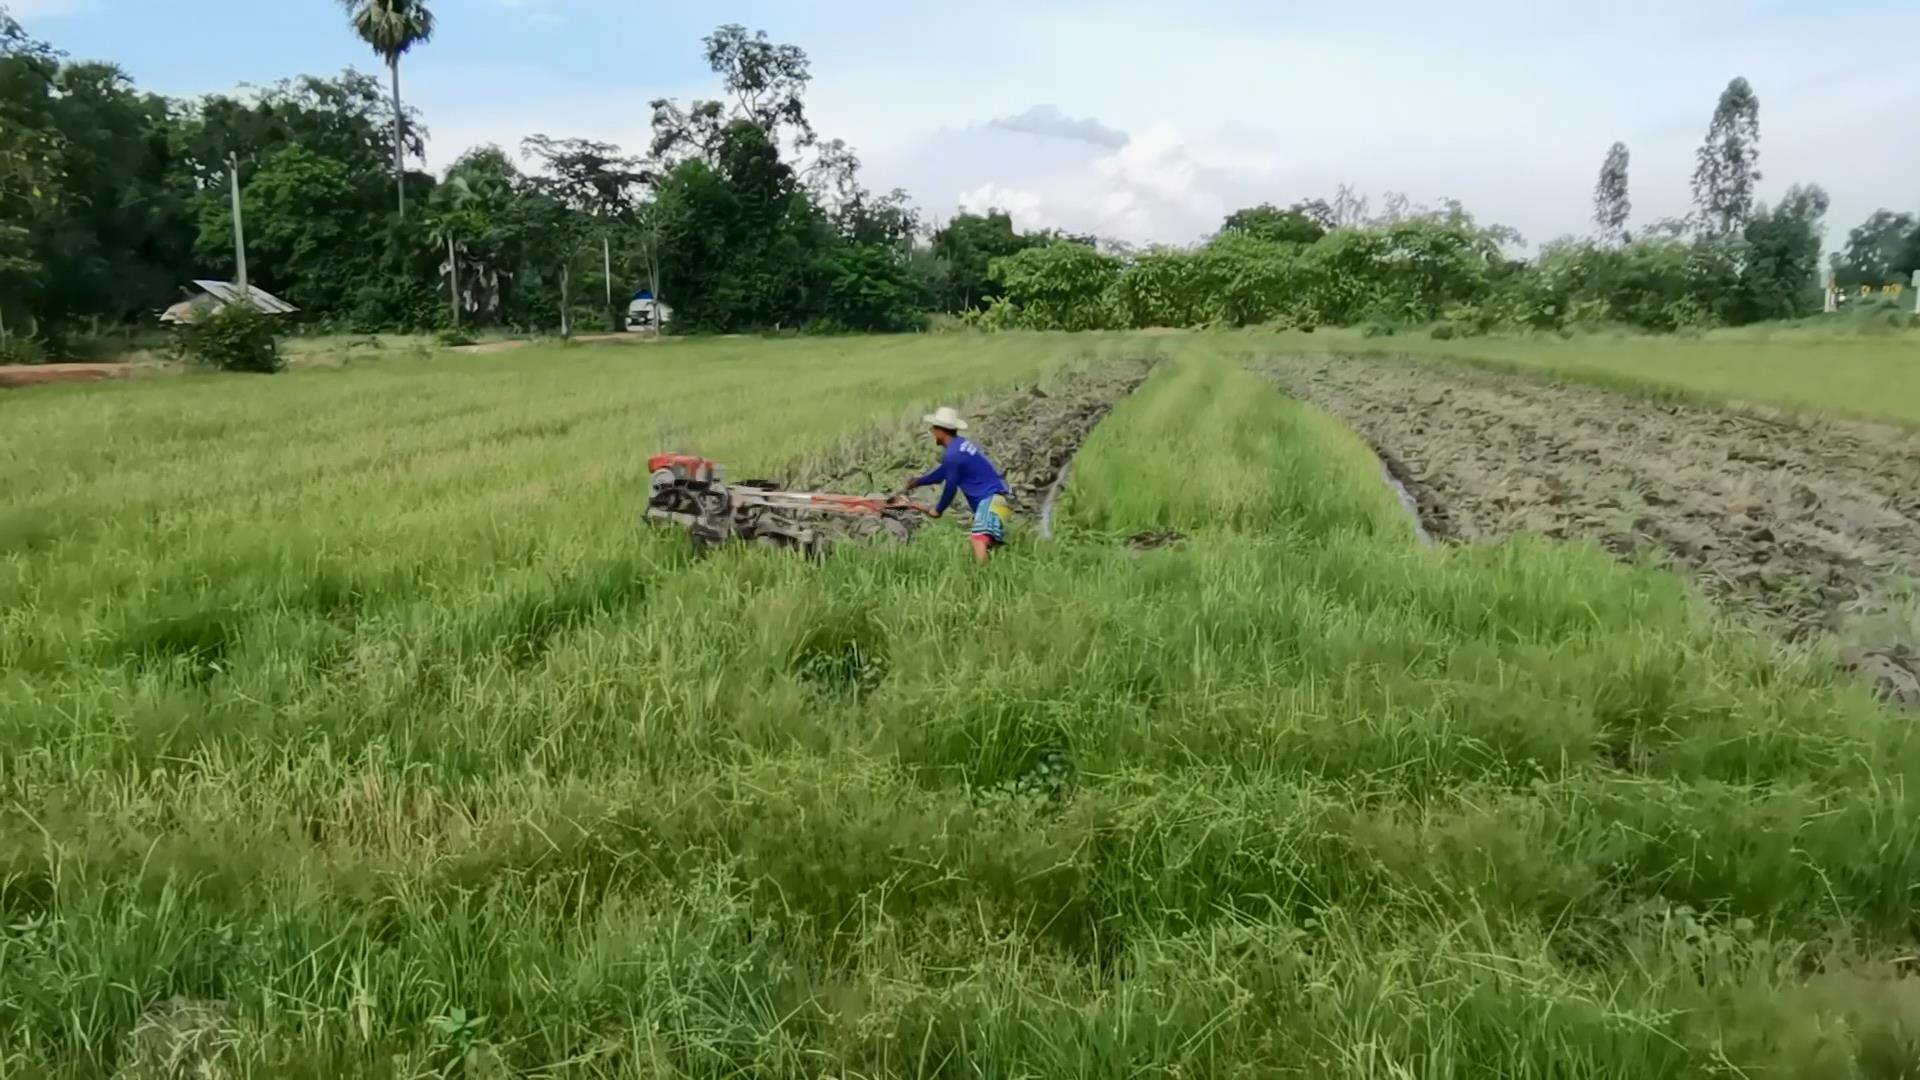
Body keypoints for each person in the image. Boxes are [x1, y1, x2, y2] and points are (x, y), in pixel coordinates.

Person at [900, 406, 1011, 564]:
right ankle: (995, 576)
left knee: (978, 540)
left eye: (933, 429)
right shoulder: (960, 445)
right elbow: (941, 474)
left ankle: (983, 581)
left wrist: (938, 510)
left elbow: (950, 486)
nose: (932, 432)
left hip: (991, 500)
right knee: (989, 545)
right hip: (998, 499)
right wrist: (918, 482)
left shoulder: (953, 454)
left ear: (941, 431)